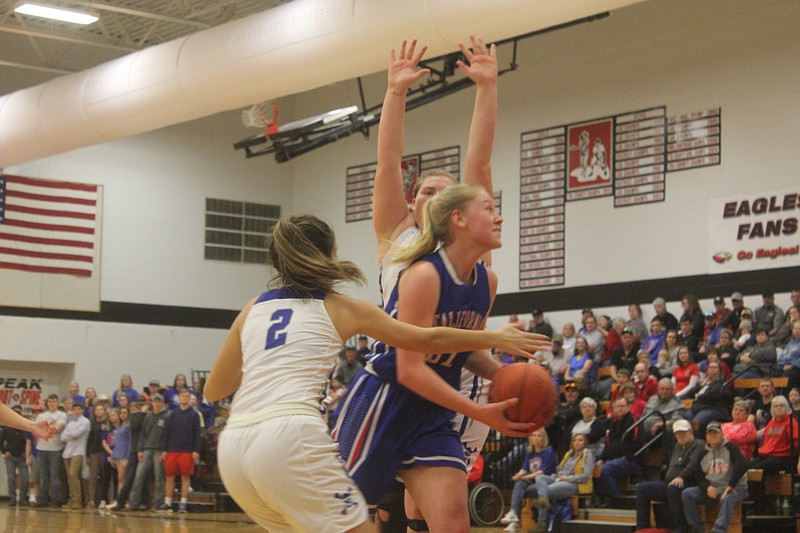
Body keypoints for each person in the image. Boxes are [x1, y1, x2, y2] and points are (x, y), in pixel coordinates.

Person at [205, 214, 548, 533]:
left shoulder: (253, 308)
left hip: (235, 449)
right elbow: (425, 338)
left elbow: (214, 390)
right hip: (289, 434)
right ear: (331, 253)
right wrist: (495, 337)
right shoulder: (343, 307)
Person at [366, 36, 501, 532]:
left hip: (455, 379)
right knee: (397, 502)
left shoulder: (471, 252)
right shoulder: (398, 237)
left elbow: (479, 164)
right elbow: (388, 161)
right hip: (397, 375)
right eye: (425, 189)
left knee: (430, 507)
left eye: (447, 194)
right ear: (412, 199)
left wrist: (487, 88)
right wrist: (395, 94)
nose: (435, 198)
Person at [635, 419, 704, 533]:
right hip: (671, 482)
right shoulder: (677, 446)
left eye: (683, 432)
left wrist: (681, 476)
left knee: (673, 489)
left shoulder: (698, 444)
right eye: (678, 434)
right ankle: (642, 528)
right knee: (643, 488)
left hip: (689, 482)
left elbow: (693, 464)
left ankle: (681, 527)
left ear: (690, 432)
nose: (681, 436)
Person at [681, 421, 748, 533]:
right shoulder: (702, 453)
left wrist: (731, 484)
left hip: (735, 487)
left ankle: (719, 530)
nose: (713, 436)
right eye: (710, 434)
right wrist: (707, 488)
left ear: (722, 434)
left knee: (728, 497)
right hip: (713, 489)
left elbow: (742, 465)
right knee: (687, 494)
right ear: (706, 437)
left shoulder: (731, 447)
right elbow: (698, 475)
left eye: (716, 433)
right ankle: (697, 529)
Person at [532, 433, 595, 533]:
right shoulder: (569, 454)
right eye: (575, 440)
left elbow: (586, 476)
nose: (577, 443)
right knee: (540, 477)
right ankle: (543, 502)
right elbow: (560, 469)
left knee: (545, 491)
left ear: (585, 442)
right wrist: (556, 475)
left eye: (580, 440)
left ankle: (541, 522)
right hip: (560, 479)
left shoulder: (587, 454)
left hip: (576, 484)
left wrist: (568, 478)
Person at [500, 428, 556, 532]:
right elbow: (524, 468)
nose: (536, 438)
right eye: (534, 435)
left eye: (539, 436)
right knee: (519, 484)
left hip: (545, 483)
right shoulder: (530, 452)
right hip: (533, 482)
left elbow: (541, 472)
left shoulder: (548, 451)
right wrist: (518, 475)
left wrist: (524, 477)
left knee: (521, 485)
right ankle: (514, 516)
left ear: (544, 438)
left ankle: (516, 521)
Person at [158, 388, 201, 513]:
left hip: (187, 451)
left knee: (185, 477)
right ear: (179, 398)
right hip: (172, 450)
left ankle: (183, 503)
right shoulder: (173, 414)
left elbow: (197, 434)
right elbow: (167, 432)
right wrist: (164, 449)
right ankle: (167, 502)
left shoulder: (194, 415)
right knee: (169, 476)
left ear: (189, 398)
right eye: (182, 396)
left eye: (187, 396)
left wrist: (196, 450)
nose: (184, 398)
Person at [1, 403, 50, 506]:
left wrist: (32, 426)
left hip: (21, 455)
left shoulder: (22, 431)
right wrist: (4, 451)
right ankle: (13, 499)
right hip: (11, 456)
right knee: (11, 478)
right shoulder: (6, 430)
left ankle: (22, 498)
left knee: (25, 477)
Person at [128, 393, 169, 511]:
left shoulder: (166, 417)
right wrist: (140, 449)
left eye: (159, 401)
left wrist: (164, 450)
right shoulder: (147, 416)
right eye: (154, 401)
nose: (157, 403)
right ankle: (133, 503)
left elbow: (167, 435)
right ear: (151, 403)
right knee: (138, 476)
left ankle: (157, 504)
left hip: (159, 451)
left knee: (159, 478)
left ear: (162, 403)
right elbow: (143, 434)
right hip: (146, 450)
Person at [594, 398, 641, 501]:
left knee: (603, 471)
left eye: (623, 406)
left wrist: (627, 456)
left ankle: (618, 498)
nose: (621, 409)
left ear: (628, 407)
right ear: (613, 409)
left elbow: (638, 442)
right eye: (618, 406)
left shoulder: (634, 421)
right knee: (592, 469)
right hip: (612, 458)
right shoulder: (612, 423)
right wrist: (601, 458)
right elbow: (607, 443)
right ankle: (601, 498)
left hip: (630, 459)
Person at [683, 361, 732, 437]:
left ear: (720, 371)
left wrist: (699, 395)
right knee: (686, 419)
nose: (712, 369)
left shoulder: (721, 384)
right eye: (710, 367)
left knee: (698, 421)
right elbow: (690, 393)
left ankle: (699, 441)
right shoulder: (704, 384)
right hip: (699, 408)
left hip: (715, 408)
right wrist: (702, 385)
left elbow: (711, 394)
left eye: (715, 367)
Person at [34, 393, 67, 507]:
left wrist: (46, 428)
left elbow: (58, 428)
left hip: (55, 449)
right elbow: (36, 430)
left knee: (55, 476)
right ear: (47, 403)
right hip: (41, 448)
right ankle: (43, 499)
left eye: (54, 401)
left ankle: (55, 499)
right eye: (50, 401)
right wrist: (49, 428)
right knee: (43, 476)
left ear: (57, 403)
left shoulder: (62, 415)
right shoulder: (41, 416)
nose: (52, 403)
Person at [60, 401, 89, 509]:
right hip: (67, 452)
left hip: (79, 451)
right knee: (70, 477)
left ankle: (78, 501)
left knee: (73, 474)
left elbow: (77, 434)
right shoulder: (70, 423)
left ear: (82, 410)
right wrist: (70, 435)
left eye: (79, 409)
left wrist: (70, 435)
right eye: (75, 409)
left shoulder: (85, 421)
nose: (77, 411)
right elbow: (62, 437)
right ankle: (72, 500)